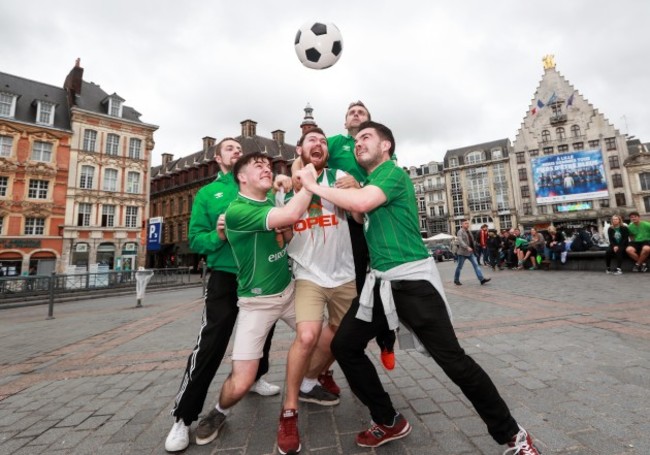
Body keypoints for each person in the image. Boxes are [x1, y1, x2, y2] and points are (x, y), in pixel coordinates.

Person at [296, 121, 540, 454]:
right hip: (380, 284)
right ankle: (388, 419)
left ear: (387, 147)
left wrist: (314, 184)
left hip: (412, 282)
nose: (357, 144)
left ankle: (514, 436)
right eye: (355, 141)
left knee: (454, 362)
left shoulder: (392, 174)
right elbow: (358, 214)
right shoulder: (368, 180)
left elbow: (363, 205)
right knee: (345, 345)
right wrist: (346, 191)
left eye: (366, 137)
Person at [165, 139, 282, 453]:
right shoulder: (207, 194)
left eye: (238, 148)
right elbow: (195, 240)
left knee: (264, 332)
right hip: (226, 275)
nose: (237, 151)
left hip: (259, 274)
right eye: (229, 148)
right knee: (211, 343)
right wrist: (216, 235)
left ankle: (257, 378)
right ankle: (183, 416)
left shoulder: (264, 188)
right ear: (217, 158)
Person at [199, 151, 315, 455]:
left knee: (327, 336)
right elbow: (290, 214)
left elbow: (285, 232)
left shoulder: (271, 202)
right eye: (257, 166)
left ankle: (312, 381)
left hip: (288, 292)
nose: (266, 168)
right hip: (256, 303)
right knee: (241, 382)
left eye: (268, 165)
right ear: (241, 177)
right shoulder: (236, 210)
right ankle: (218, 411)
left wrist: (286, 229)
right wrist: (309, 185)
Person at [292, 101, 396, 373]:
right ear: (345, 121)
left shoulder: (378, 144)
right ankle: (330, 363)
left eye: (361, 112)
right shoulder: (334, 142)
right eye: (352, 112)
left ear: (370, 123)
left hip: (377, 217)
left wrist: (359, 185)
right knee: (360, 291)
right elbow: (302, 157)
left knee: (385, 282)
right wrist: (296, 178)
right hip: (349, 221)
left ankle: (387, 341)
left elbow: (385, 181)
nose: (356, 115)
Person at [278, 128, 359, 450]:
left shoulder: (339, 176)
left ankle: (312, 379)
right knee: (308, 336)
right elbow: (277, 225)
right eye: (312, 140)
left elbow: (358, 211)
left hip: (344, 274)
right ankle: (289, 410)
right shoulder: (284, 184)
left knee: (344, 337)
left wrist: (357, 186)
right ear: (299, 148)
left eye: (324, 141)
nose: (319, 144)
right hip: (308, 273)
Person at [454, 220, 491, 286]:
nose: (467, 225)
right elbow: (460, 241)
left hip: (470, 252)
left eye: (468, 223)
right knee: (459, 267)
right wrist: (467, 247)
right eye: (465, 223)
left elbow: (472, 241)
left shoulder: (469, 231)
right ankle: (456, 280)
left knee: (476, 265)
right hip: (462, 253)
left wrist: (474, 248)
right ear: (462, 225)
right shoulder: (460, 231)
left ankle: (481, 279)